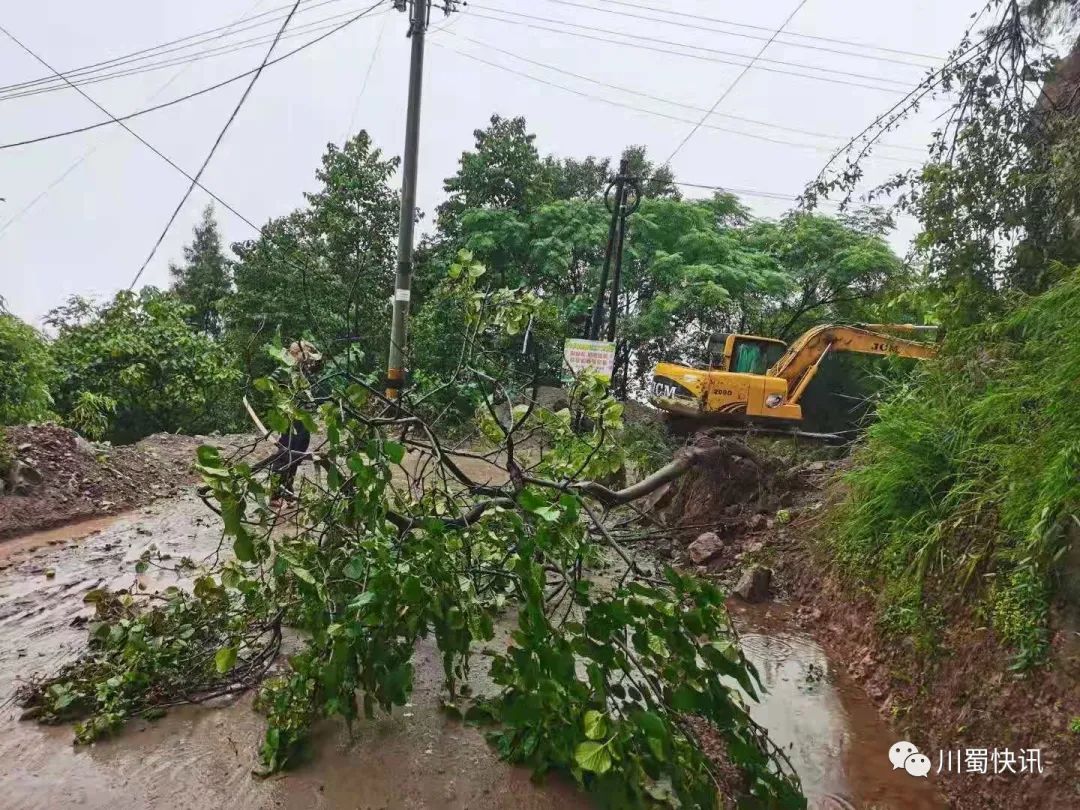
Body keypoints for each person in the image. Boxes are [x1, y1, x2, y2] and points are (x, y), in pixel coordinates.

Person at [269, 340, 322, 507]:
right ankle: (275, 494)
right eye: (304, 353)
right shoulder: (285, 370)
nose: (307, 358)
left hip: (303, 417)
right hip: (290, 416)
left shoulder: (302, 371)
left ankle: (287, 491)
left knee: (298, 453)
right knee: (285, 452)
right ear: (295, 353)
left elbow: (318, 365)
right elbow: (270, 383)